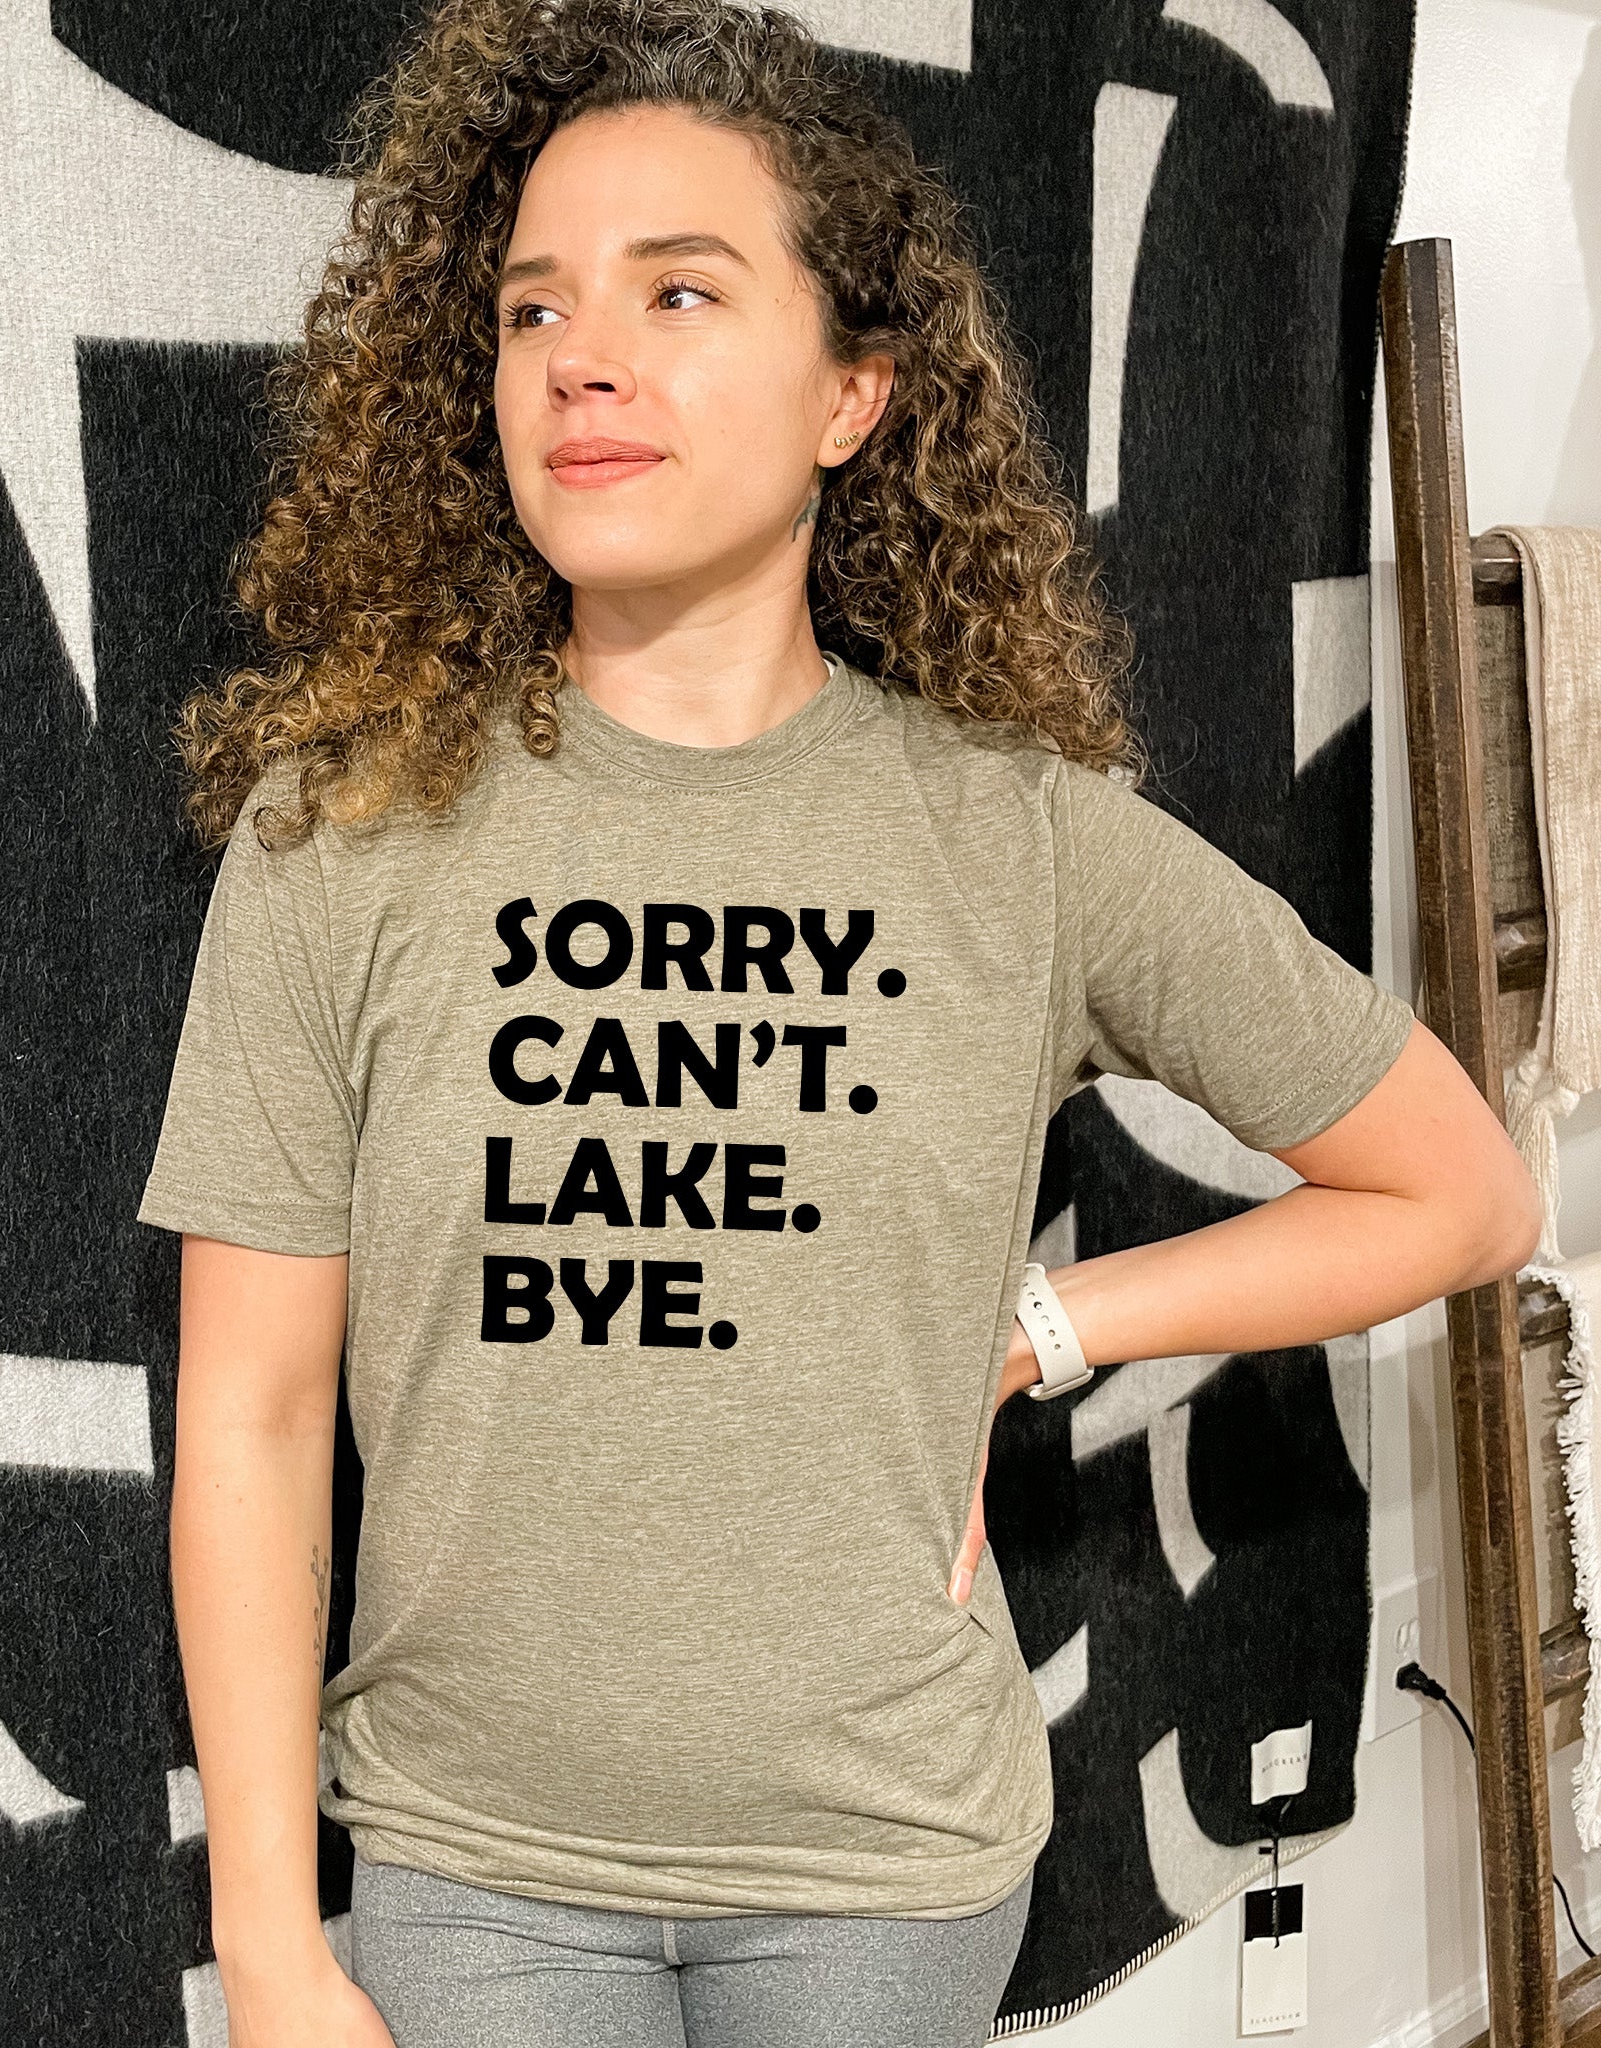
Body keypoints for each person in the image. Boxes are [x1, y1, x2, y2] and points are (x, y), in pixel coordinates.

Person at [135, 2, 1542, 2043]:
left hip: (885, 1875)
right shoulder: (342, 829)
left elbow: (1463, 1189)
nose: (581, 360)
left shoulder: (1017, 840)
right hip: (476, 1876)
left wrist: (1052, 1331)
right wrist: (270, 1937)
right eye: (531, 311)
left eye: (678, 291)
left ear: (852, 392)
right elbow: (250, 1415)